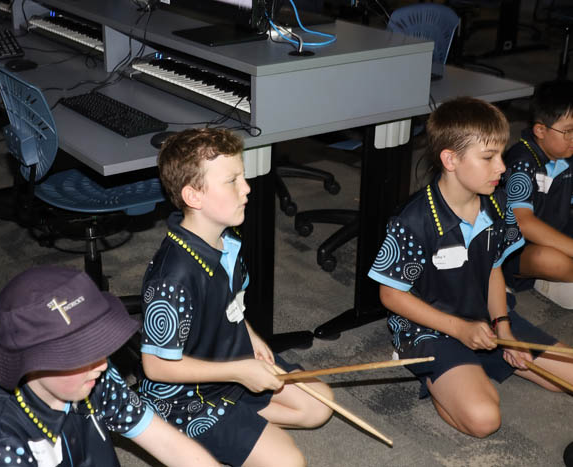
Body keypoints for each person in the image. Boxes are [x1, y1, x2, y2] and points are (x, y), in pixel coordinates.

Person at [367, 97, 573, 438]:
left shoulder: (498, 204)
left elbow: (493, 269)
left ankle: (475, 366)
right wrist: (460, 330)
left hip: (484, 319)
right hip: (429, 328)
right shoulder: (413, 220)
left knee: (566, 378)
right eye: (489, 157)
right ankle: (440, 377)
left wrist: (503, 328)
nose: (502, 167)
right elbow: (390, 295)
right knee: (484, 420)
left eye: (501, 155)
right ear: (450, 159)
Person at [138, 128, 334, 467]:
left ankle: (238, 420)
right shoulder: (173, 278)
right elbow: (155, 366)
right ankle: (181, 434)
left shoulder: (226, 239)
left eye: (242, 177)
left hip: (231, 364)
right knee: (289, 463)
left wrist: (250, 335)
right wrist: (240, 372)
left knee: (320, 406)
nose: (247, 188)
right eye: (232, 181)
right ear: (193, 196)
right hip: (187, 397)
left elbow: (230, 303)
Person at [0, 266, 219, 467]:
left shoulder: (93, 375)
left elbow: (166, 442)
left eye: (98, 347)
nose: (102, 364)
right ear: (32, 362)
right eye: (80, 356)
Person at [501, 79, 573, 308]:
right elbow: (523, 223)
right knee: (550, 261)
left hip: (555, 233)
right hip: (514, 249)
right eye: (569, 131)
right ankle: (542, 279)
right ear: (541, 130)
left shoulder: (567, 156)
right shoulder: (521, 162)